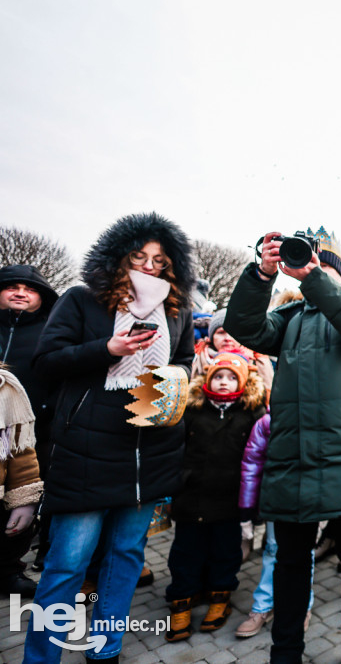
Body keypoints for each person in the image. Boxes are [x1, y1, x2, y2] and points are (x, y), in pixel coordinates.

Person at [25, 213, 195, 663]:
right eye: (139, 256)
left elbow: (183, 360)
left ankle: (106, 649)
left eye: (160, 259)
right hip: (87, 451)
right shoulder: (83, 300)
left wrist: (173, 380)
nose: (149, 266)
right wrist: (108, 349)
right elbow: (45, 362)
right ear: (118, 256)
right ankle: (40, 657)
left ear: (172, 265)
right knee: (66, 566)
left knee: (125, 558)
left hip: (150, 450)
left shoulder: (178, 310)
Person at [225, 226, 341, 664]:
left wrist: (316, 277)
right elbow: (242, 325)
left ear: (337, 275)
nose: (315, 274)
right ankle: (286, 651)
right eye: (309, 268)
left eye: (324, 270)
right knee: (291, 564)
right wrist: (262, 273)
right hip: (293, 459)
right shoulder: (290, 319)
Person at [164, 351, 267, 641]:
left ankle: (219, 598)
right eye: (218, 376)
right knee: (185, 552)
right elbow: (176, 449)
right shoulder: (192, 409)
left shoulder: (252, 412)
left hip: (230, 499)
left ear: (243, 383)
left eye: (231, 378)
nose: (223, 382)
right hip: (191, 496)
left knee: (225, 551)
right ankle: (182, 600)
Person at [235, 412, 317, 639]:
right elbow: (251, 464)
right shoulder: (268, 421)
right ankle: (263, 605)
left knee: (305, 552)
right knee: (272, 549)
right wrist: (247, 510)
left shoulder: (319, 415)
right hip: (277, 497)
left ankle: (302, 606)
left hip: (309, 498)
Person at [0, 264, 57, 591]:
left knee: (21, 507)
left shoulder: (50, 332)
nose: (21, 292)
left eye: (30, 289)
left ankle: (8, 569)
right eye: (12, 286)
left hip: (33, 437)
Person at [0, 366, 43, 597]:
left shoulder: (4, 384)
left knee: (11, 538)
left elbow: (21, 449)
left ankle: (8, 575)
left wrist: (24, 501)